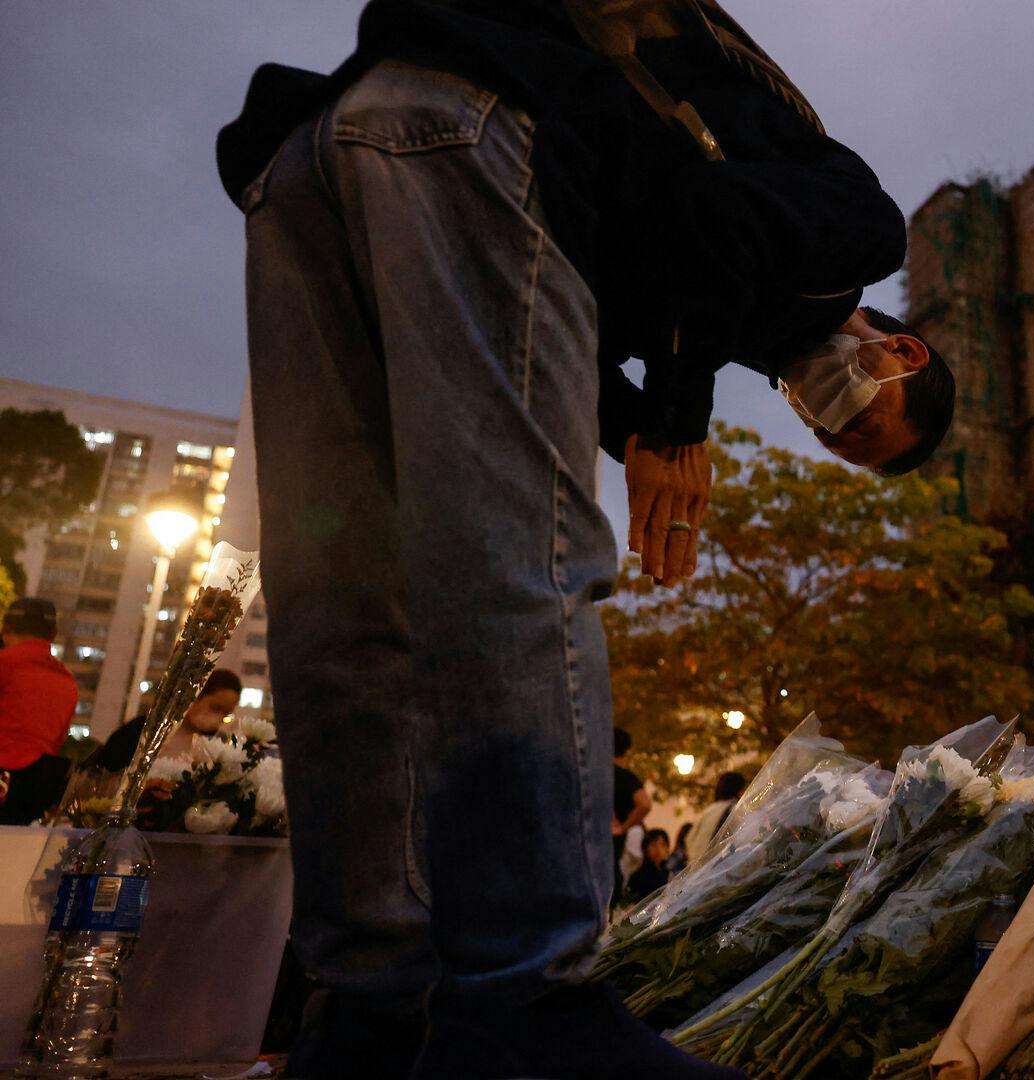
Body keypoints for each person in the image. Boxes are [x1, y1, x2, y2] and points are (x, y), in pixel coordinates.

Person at [215, 1, 952, 1076]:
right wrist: (675, 424)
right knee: (519, 575)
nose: (830, 422)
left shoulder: (719, 319)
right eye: (861, 416)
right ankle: (528, 1002)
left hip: (318, 158)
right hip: (479, 131)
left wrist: (644, 425)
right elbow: (716, 221)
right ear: (904, 352)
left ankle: (372, 1005)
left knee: (343, 602)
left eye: (837, 441)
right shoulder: (860, 235)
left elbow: (570, 340)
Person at [0, 598, 77, 825]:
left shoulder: (4, 663)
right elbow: (58, 741)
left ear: (6, 628)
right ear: (53, 634)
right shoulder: (67, 682)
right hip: (33, 797)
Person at [92, 668, 245, 773]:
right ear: (196, 696)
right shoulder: (142, 729)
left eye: (226, 713)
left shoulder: (214, 748)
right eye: (215, 707)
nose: (218, 718)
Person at [610, 729, 650, 894]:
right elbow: (645, 804)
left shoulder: (601, 774)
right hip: (612, 848)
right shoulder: (625, 777)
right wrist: (624, 827)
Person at [682, 771, 746, 866]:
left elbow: (689, 839)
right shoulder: (735, 809)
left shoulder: (708, 810)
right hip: (718, 868)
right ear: (739, 790)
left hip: (697, 868)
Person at [623, 828, 673, 901]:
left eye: (662, 845)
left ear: (667, 849)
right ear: (645, 848)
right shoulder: (638, 876)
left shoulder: (667, 873)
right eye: (653, 845)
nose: (658, 849)